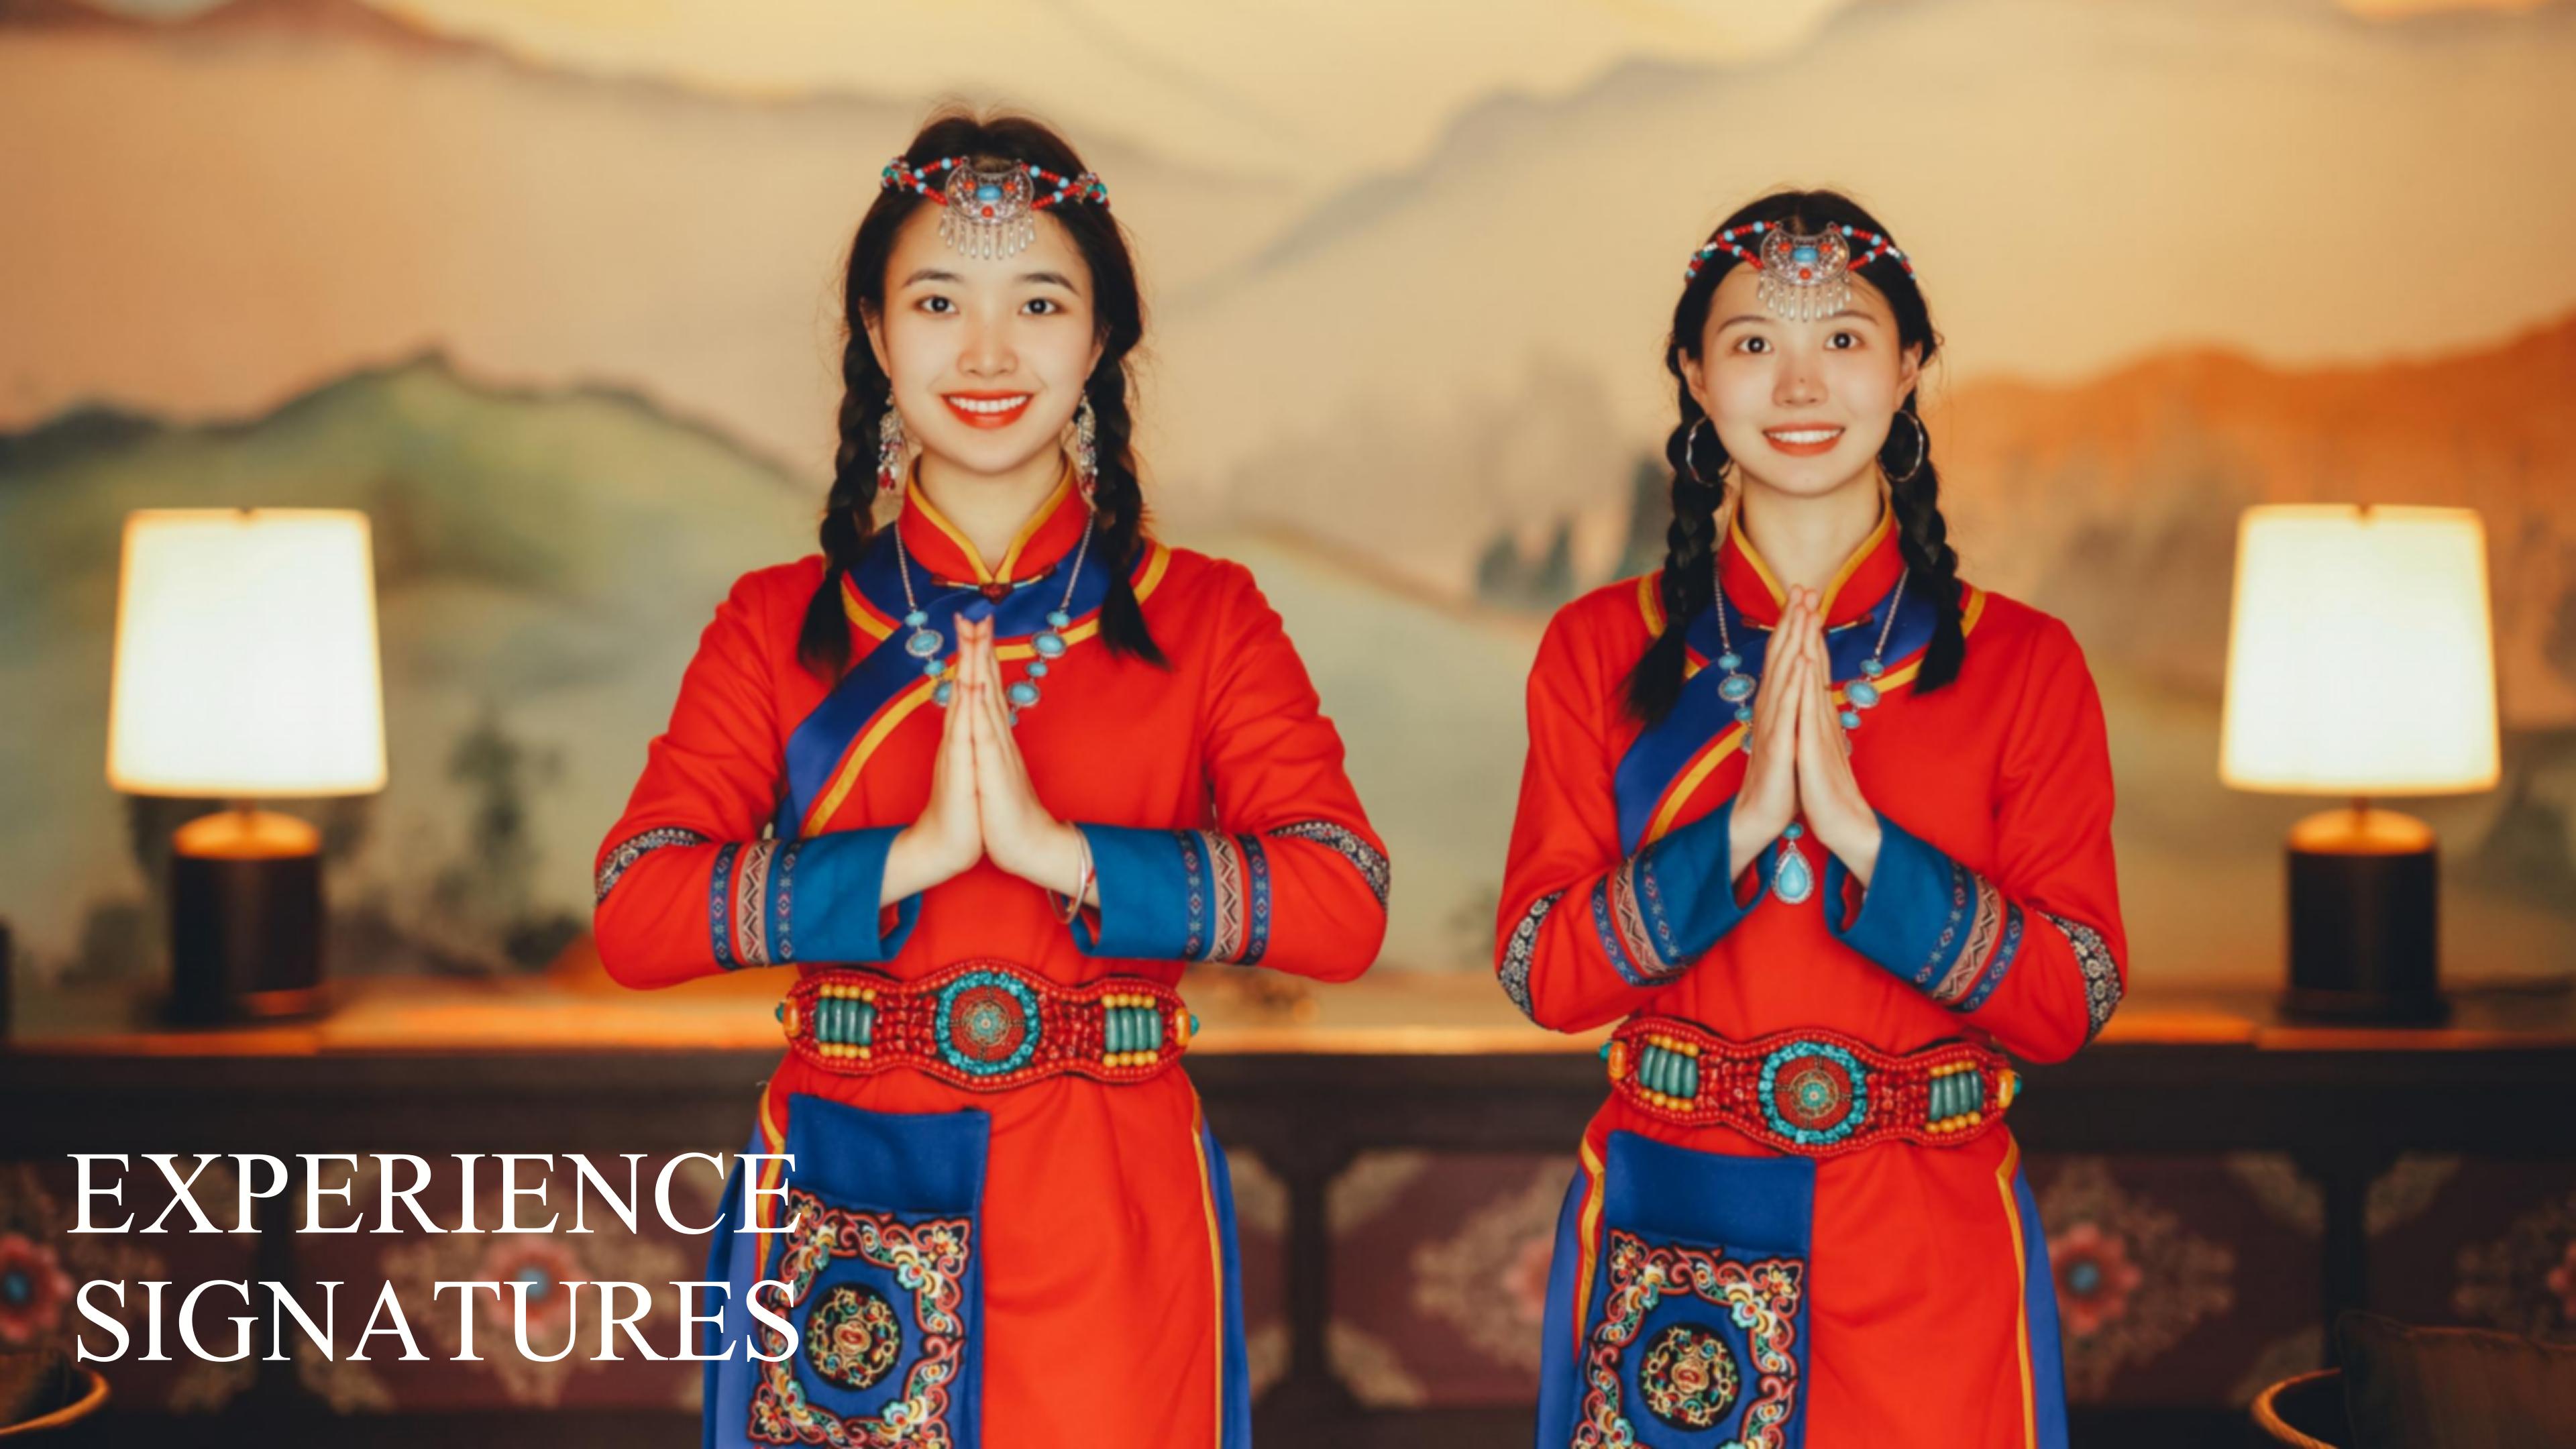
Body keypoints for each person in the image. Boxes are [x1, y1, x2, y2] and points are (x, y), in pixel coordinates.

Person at [592, 110, 1389, 1448]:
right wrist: (902, 860)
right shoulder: (777, 624)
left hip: (1108, 1203)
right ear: (873, 330)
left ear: (1102, 336)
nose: (986, 353)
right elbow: (635, 908)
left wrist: (1063, 855)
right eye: (937, 302)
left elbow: (1343, 900)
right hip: (845, 1185)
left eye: (1038, 303)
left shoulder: (1205, 617)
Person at [1497, 190, 2125, 1448]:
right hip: (1678, 1226)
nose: (1799, 385)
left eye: (1842, 339)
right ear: (1693, 374)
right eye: (1752, 343)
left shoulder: (2022, 662)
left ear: (1910, 366)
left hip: (1930, 1246)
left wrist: (1866, 844)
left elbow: (2071, 996)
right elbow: (1544, 971)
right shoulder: (1602, 648)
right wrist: (1736, 834)